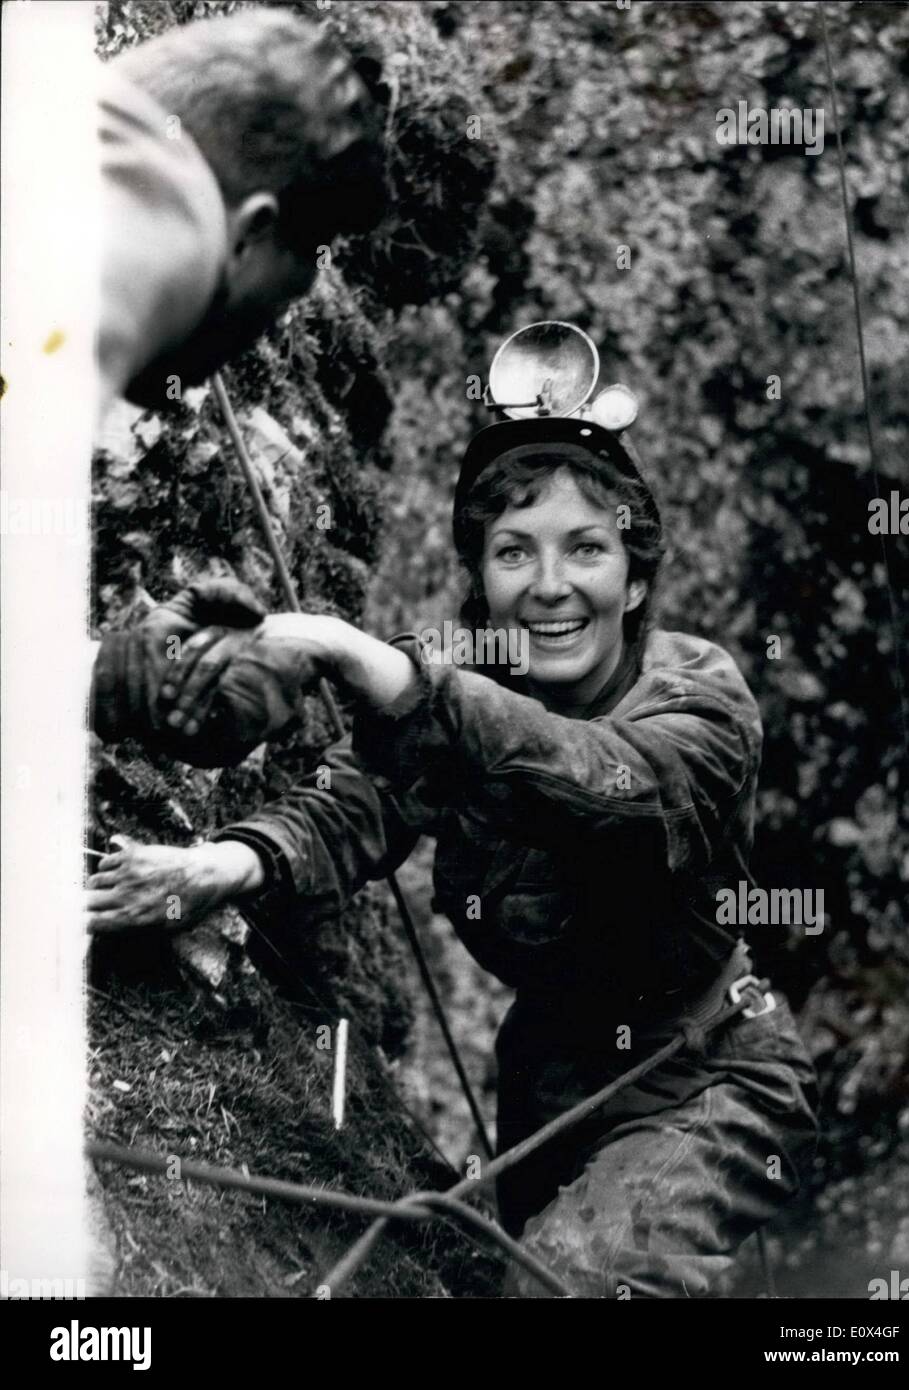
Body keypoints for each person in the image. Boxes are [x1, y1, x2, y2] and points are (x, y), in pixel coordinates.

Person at [86, 413, 819, 1297]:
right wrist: (221, 867)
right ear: (480, 578)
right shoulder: (467, 685)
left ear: (632, 582)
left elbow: (609, 786)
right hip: (550, 1076)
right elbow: (357, 802)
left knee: (568, 1287)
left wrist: (363, 659)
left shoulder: (698, 695)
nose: (550, 586)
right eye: (513, 553)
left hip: (706, 1071)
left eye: (586, 549)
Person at [92, 7, 385, 759]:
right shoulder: (141, 245)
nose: (248, 344)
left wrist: (115, 678)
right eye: (287, 295)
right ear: (252, 231)